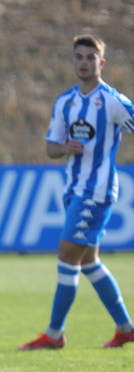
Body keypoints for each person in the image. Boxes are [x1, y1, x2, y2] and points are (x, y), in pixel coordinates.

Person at [19, 34, 134, 350]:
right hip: (72, 189)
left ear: (101, 62)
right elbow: (49, 148)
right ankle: (126, 328)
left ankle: (54, 335)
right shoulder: (65, 102)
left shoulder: (112, 101)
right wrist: (64, 147)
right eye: (79, 57)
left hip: (96, 192)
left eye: (90, 57)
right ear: (73, 61)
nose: (84, 63)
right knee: (88, 262)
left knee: (66, 256)